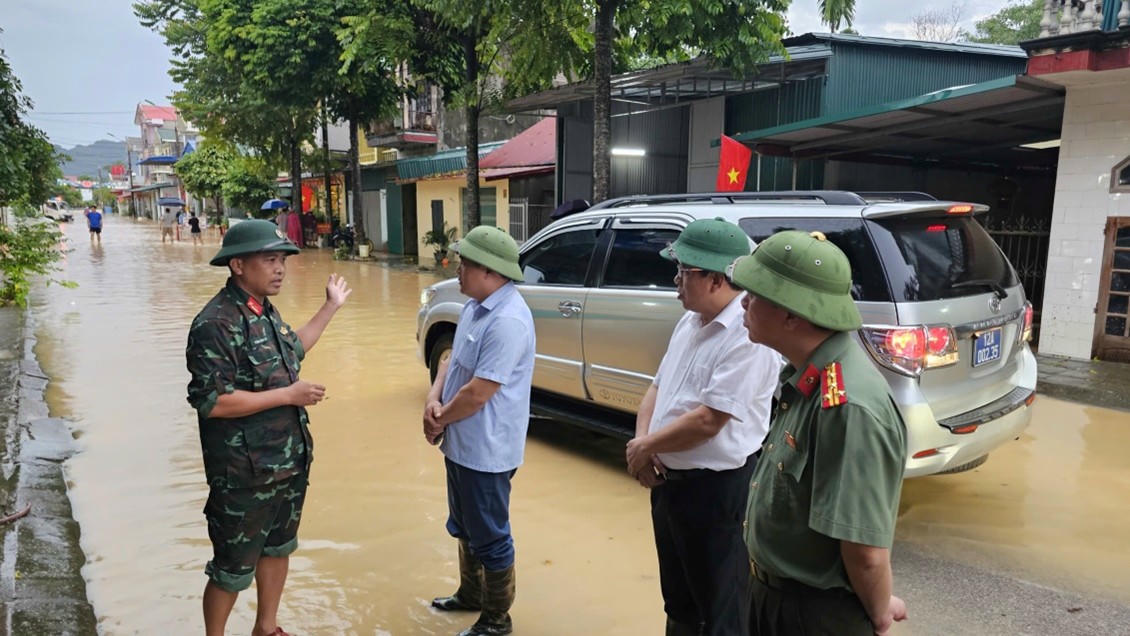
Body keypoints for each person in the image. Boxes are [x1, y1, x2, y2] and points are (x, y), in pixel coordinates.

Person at [728, 230, 909, 636]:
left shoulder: (847, 406)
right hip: (777, 600)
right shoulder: (807, 377)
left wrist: (880, 614)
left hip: (813, 617)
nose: (743, 301)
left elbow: (865, 553)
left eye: (756, 294)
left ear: (792, 315)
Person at [185, 219, 352, 636]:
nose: (279, 269)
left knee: (278, 548)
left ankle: (267, 627)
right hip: (243, 473)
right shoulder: (216, 323)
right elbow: (214, 402)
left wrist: (330, 306)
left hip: (286, 462)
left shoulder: (263, 310)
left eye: (282, 260)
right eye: (269, 260)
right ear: (238, 265)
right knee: (231, 568)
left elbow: (293, 350)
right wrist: (288, 396)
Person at [625, 218, 780, 636]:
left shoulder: (747, 337)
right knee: (679, 598)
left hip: (715, 491)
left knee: (721, 608)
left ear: (715, 279)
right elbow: (658, 387)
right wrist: (643, 443)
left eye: (684, 272)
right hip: (668, 482)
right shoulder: (690, 321)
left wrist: (646, 448)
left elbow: (710, 420)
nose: (676, 281)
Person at [423, 226, 534, 636]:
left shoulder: (508, 321)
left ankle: (496, 620)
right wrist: (433, 401)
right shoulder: (475, 307)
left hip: (486, 450)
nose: (457, 270)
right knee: (465, 525)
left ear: (490, 271)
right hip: (460, 442)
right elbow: (452, 365)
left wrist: (441, 417)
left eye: (465, 263)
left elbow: (478, 393)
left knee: (490, 535)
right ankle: (471, 595)